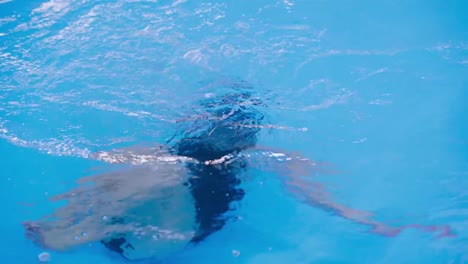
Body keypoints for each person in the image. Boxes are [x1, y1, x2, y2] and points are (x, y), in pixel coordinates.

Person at [23, 80, 454, 261]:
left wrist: (380, 226)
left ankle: (81, 229)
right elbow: (108, 171)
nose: (226, 129)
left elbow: (322, 199)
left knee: (164, 171)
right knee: (145, 158)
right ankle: (76, 223)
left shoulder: (259, 157)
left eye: (235, 124)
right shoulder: (164, 150)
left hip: (163, 239)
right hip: (129, 230)